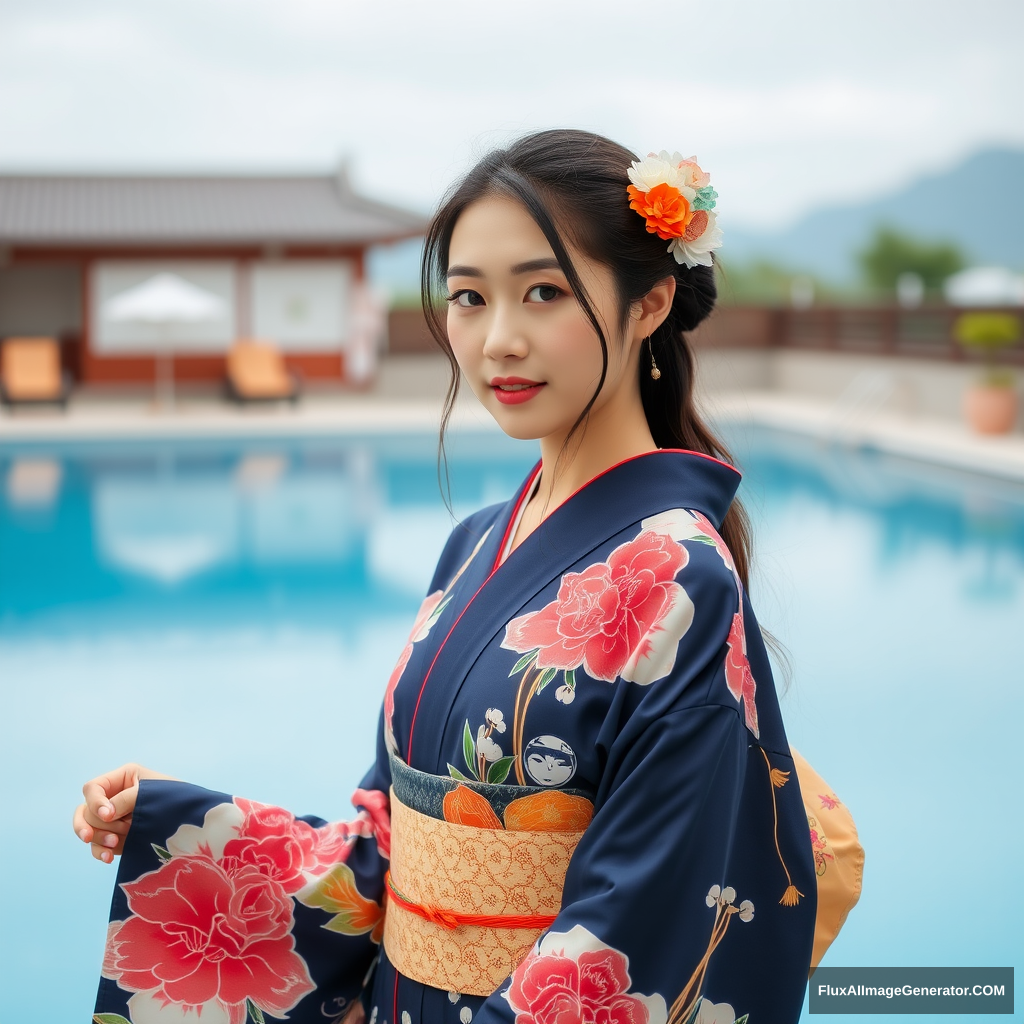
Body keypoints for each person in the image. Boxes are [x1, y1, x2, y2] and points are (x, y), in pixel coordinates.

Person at [75, 130, 820, 1024]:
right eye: (468, 298)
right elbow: (388, 839)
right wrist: (180, 824)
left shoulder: (682, 577)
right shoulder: (474, 542)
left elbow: (647, 914)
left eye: (544, 292)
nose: (498, 340)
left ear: (651, 302)